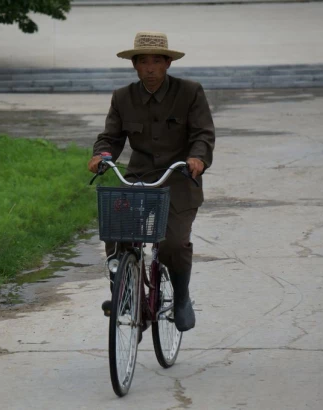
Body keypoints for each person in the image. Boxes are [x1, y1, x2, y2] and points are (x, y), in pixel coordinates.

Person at [88, 31, 215, 332]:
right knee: (116, 231)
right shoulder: (123, 97)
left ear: (168, 63)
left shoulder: (190, 92)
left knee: (171, 244)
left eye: (157, 61)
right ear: (134, 65)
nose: (150, 68)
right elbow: (111, 137)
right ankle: (124, 294)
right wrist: (101, 155)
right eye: (143, 62)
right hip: (139, 177)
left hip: (180, 177)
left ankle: (181, 298)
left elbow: (202, 134)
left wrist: (197, 158)